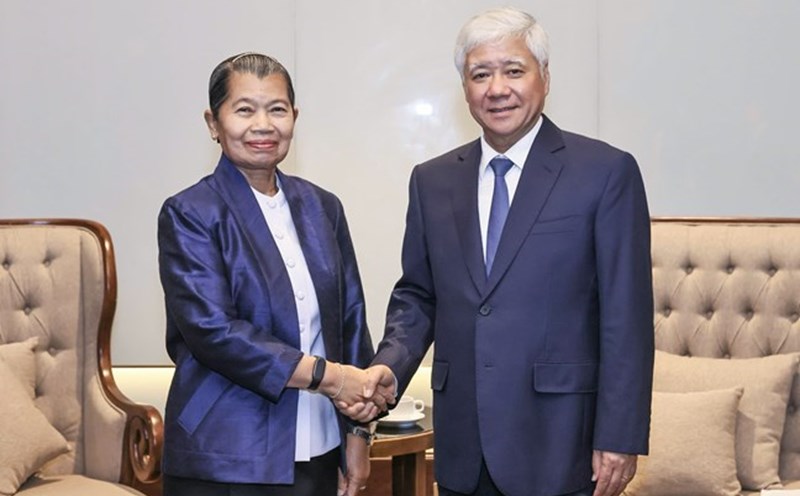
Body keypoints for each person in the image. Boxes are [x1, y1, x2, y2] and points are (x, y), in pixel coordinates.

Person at [346, 7, 655, 496]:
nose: (497, 88)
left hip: (562, 445)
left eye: (514, 70)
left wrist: (619, 436)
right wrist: (389, 367)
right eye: (480, 74)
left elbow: (627, 315)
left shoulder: (605, 172)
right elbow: (419, 297)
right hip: (463, 443)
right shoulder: (433, 181)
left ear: (545, 78)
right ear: (464, 88)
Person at [157, 52, 391, 496]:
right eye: (244, 109)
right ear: (213, 122)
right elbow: (214, 331)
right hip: (227, 456)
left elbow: (351, 323)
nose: (263, 125)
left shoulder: (323, 206)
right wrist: (332, 378)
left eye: (277, 109)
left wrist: (359, 434)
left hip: (321, 449)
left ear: (294, 117)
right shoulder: (190, 213)